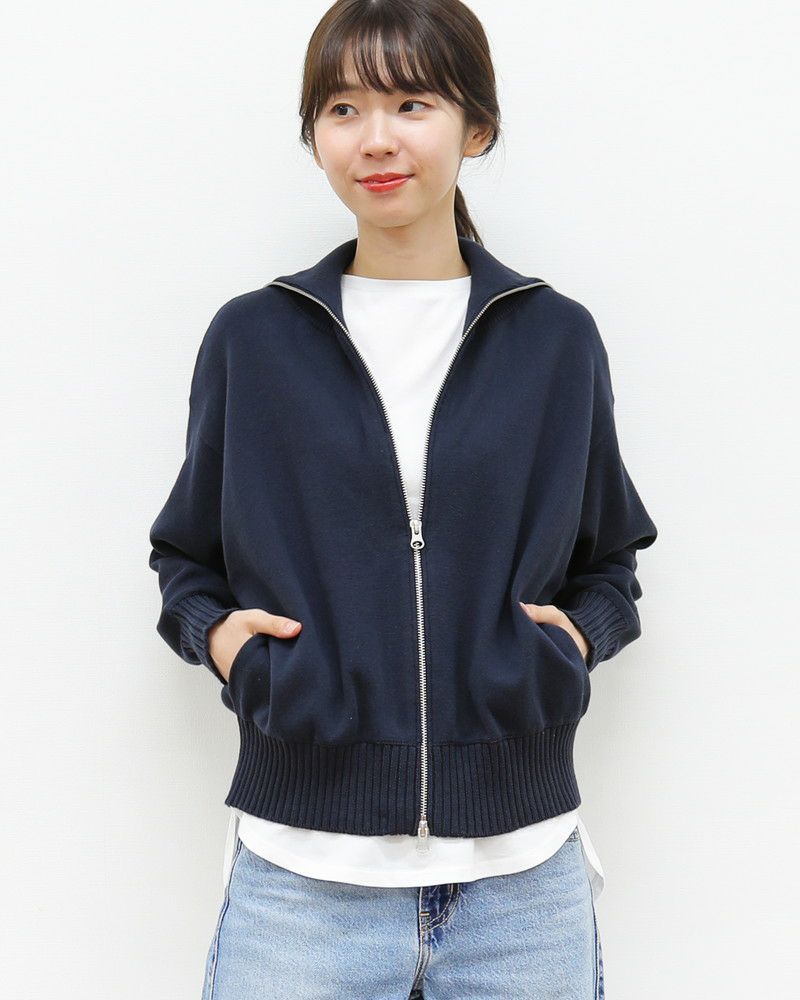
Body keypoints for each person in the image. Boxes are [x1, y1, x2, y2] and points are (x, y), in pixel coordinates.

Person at [148, 2, 658, 996]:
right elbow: (186, 559)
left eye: (411, 104)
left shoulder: (554, 339)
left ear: (476, 127)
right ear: (315, 137)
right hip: (300, 883)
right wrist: (227, 645)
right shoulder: (254, 339)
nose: (375, 139)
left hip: (523, 883)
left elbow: (608, 561)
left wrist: (572, 642)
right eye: (342, 109)